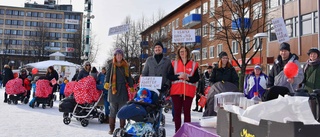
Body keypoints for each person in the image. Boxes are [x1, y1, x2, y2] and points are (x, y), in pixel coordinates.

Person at [168, 46, 200, 132]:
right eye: (181, 51)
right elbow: (169, 76)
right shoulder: (174, 63)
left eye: (184, 51)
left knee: (187, 112)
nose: (182, 53)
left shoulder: (194, 64)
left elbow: (197, 78)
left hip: (188, 91)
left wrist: (188, 78)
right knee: (177, 113)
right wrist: (178, 76)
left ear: (187, 52)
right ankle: (177, 131)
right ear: (178, 53)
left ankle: (187, 132)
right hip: (176, 91)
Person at [105, 48, 134, 135]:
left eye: (120, 55)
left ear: (122, 56)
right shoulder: (111, 65)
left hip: (122, 90)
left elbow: (129, 77)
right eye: (117, 55)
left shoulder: (126, 65)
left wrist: (131, 86)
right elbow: (108, 75)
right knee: (113, 110)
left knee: (122, 110)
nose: (119, 56)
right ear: (115, 56)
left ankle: (122, 128)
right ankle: (111, 128)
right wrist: (106, 83)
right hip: (113, 90)